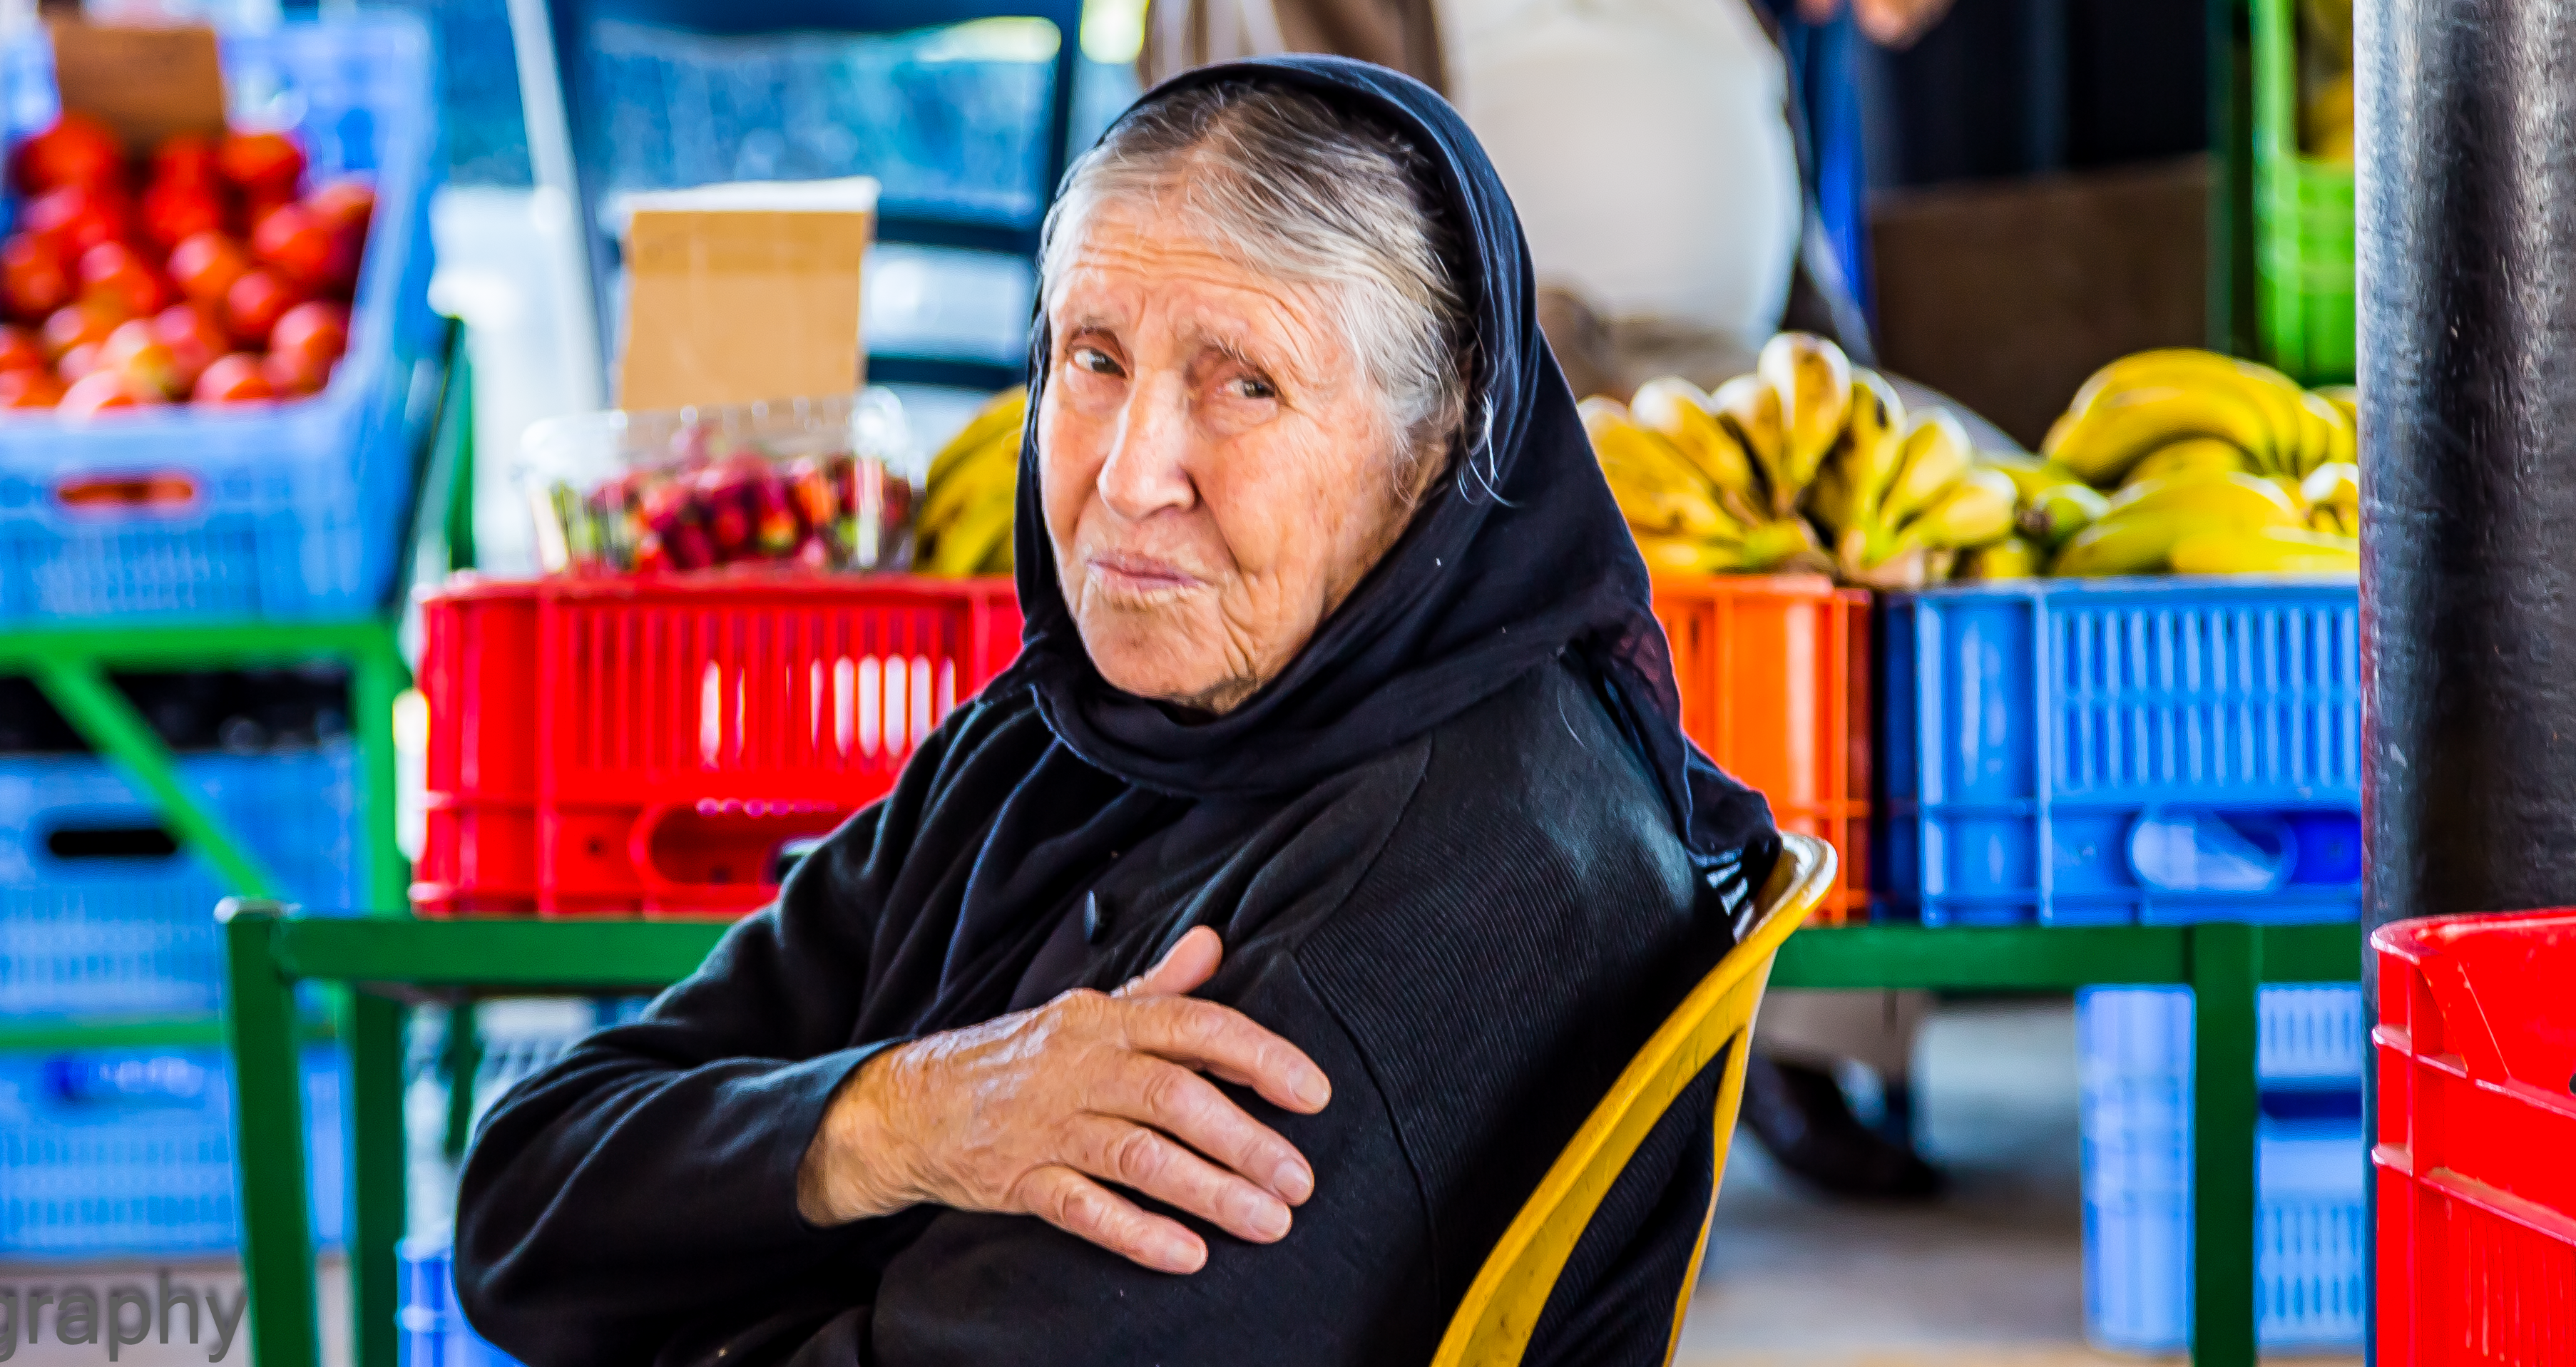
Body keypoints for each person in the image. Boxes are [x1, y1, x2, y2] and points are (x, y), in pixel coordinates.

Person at [456, 56, 1790, 1366]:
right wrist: (894, 1119)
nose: (1131, 472)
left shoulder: (1454, 885)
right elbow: (519, 1204)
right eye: (1091, 359)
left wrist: (705, 1245)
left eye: (1244, 382)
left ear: (1437, 443)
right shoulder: (1055, 745)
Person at [1142, 0, 1966, 1199]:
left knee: (1930, 519)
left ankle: (1794, 1024)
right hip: (1519, 367)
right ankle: (1601, 1059)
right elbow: (1284, 213)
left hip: (1739, 366)